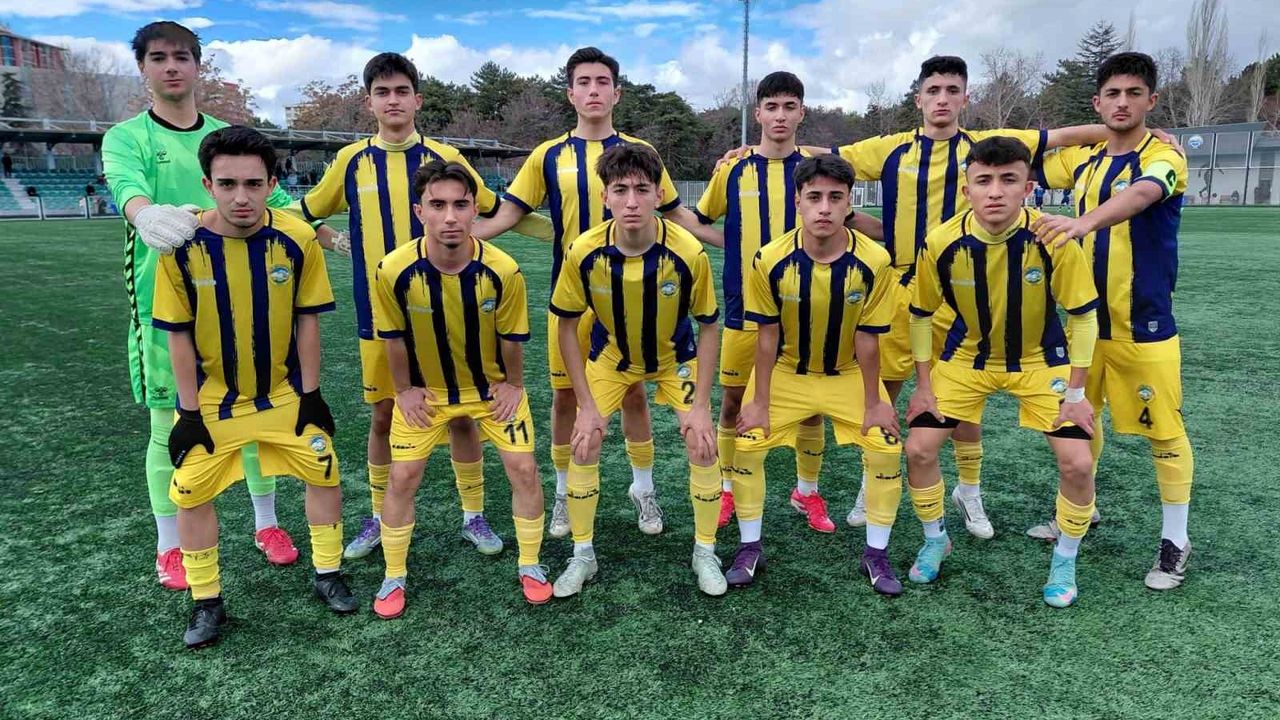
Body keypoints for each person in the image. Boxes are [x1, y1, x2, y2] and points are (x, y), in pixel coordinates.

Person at [299, 52, 552, 561]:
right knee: (383, 415)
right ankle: (378, 515)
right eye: (382, 92)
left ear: (417, 99)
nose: (392, 101)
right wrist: (330, 238)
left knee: (461, 416)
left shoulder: (443, 156)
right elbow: (300, 213)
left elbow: (495, 208)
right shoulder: (351, 161)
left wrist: (559, 231)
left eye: (401, 91)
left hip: (456, 313)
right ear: (369, 102)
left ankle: (473, 514)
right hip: (381, 316)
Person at [102, 21, 323, 591]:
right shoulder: (126, 137)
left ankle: (266, 524)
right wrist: (145, 214)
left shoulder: (226, 134)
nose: (171, 66)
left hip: (244, 297)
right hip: (167, 303)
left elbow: (278, 200)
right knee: (169, 425)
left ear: (198, 66)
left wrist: (321, 231)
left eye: (181, 56)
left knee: (251, 411)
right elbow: (126, 188)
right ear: (143, 68)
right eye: (158, 58)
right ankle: (170, 546)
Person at [475, 47, 720, 540]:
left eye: (602, 81)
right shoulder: (548, 155)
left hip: (633, 295)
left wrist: (738, 240)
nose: (593, 90)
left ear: (617, 92)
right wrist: (449, 235)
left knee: (633, 392)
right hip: (573, 297)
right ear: (570, 94)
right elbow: (507, 215)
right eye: (583, 82)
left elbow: (676, 214)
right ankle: (564, 494)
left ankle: (642, 489)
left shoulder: (640, 152)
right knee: (566, 397)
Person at [152, 126, 356, 649]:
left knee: (325, 470)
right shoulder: (181, 247)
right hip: (212, 401)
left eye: (253, 183)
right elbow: (177, 335)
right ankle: (206, 600)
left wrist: (311, 394)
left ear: (271, 184)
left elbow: (308, 321)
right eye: (227, 184)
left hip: (283, 393)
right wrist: (188, 412)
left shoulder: (297, 237)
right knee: (191, 492)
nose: (240, 196)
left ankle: (328, 573)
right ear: (208, 184)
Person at [906, 136, 1100, 607]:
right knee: (918, 449)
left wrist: (1077, 393)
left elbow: (1082, 316)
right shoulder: (941, 241)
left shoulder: (1052, 237)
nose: (995, 192)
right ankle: (935, 540)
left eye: (1008, 180)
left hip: (1039, 361)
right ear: (967, 189)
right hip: (965, 361)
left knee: (1078, 462)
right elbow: (921, 315)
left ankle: (1065, 559)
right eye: (984, 181)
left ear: (1028, 188)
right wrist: (924, 385)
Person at [694, 71, 885, 535]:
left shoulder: (816, 173)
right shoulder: (733, 169)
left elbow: (861, 222)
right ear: (758, 113)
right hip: (745, 308)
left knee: (811, 404)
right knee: (733, 402)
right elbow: (700, 220)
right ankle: (727, 488)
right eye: (772, 107)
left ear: (802, 112)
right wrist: (735, 245)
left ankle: (806, 490)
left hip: (812, 313)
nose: (780, 116)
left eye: (789, 106)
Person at [1030, 52, 1194, 591]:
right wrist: (1092, 132)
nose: (1123, 103)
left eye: (1134, 93)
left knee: (1164, 433)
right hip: (1083, 325)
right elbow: (1023, 155)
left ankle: (1175, 541)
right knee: (1079, 419)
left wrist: (1083, 223)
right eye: (1113, 95)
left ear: (1152, 100)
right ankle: (1081, 510)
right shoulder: (1084, 160)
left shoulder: (1165, 156)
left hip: (1143, 325)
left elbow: (1144, 193)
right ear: (1098, 103)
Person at [370, 160, 550, 617]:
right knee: (402, 476)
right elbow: (392, 339)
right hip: (427, 393)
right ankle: (394, 575)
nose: (450, 216)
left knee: (524, 470)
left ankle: (530, 564)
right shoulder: (393, 269)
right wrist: (403, 391)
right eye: (437, 205)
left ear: (475, 211)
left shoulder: (503, 270)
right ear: (420, 211)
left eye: (460, 205)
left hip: (490, 392)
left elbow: (511, 338)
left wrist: (514, 385)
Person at [548, 144, 725, 597]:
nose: (631, 201)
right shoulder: (584, 252)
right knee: (584, 441)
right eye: (620, 190)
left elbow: (709, 326)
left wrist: (702, 406)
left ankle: (705, 552)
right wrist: (585, 405)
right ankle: (582, 555)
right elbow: (566, 326)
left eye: (642, 190)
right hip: (611, 359)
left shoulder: (687, 252)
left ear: (658, 195)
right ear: (604, 196)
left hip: (674, 360)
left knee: (703, 443)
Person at [729, 155, 905, 594]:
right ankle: (749, 547)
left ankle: (876, 554)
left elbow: (868, 338)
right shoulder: (770, 258)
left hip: (846, 373)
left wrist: (874, 402)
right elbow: (767, 336)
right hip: (787, 372)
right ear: (798, 202)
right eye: (814, 197)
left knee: (886, 449)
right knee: (746, 444)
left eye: (835, 197)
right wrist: (760, 401)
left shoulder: (875, 260)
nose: (824, 208)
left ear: (849, 203)